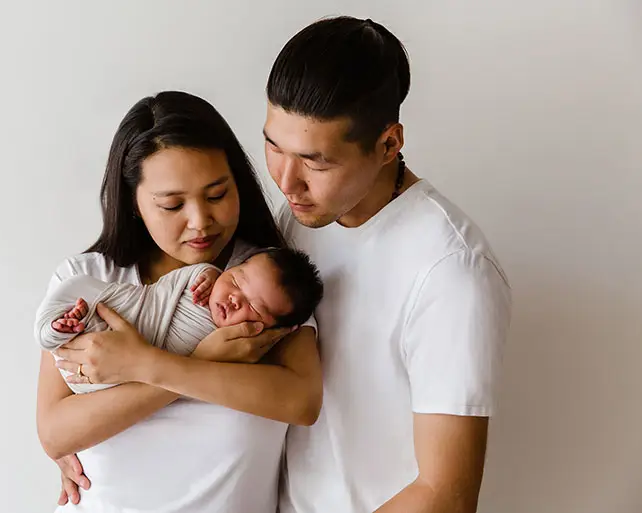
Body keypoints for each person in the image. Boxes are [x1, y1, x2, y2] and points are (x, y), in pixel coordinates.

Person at [262, 17, 513, 512]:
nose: (286, 181)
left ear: (388, 145)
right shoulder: (294, 221)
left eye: (315, 161)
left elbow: (446, 494)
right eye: (273, 145)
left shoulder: (452, 269)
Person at [36, 90, 322, 512]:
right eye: (172, 205)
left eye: (217, 195)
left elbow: (301, 401)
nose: (200, 221)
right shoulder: (90, 282)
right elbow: (55, 434)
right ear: (134, 203)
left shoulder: (266, 286)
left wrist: (148, 365)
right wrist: (198, 364)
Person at [35, 247, 323, 394]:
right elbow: (162, 294)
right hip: (133, 311)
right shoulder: (204, 281)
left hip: (109, 376)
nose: (234, 298)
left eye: (254, 308)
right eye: (236, 279)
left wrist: (205, 359)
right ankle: (56, 327)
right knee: (80, 288)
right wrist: (206, 273)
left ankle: (61, 329)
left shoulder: (242, 348)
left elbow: (301, 405)